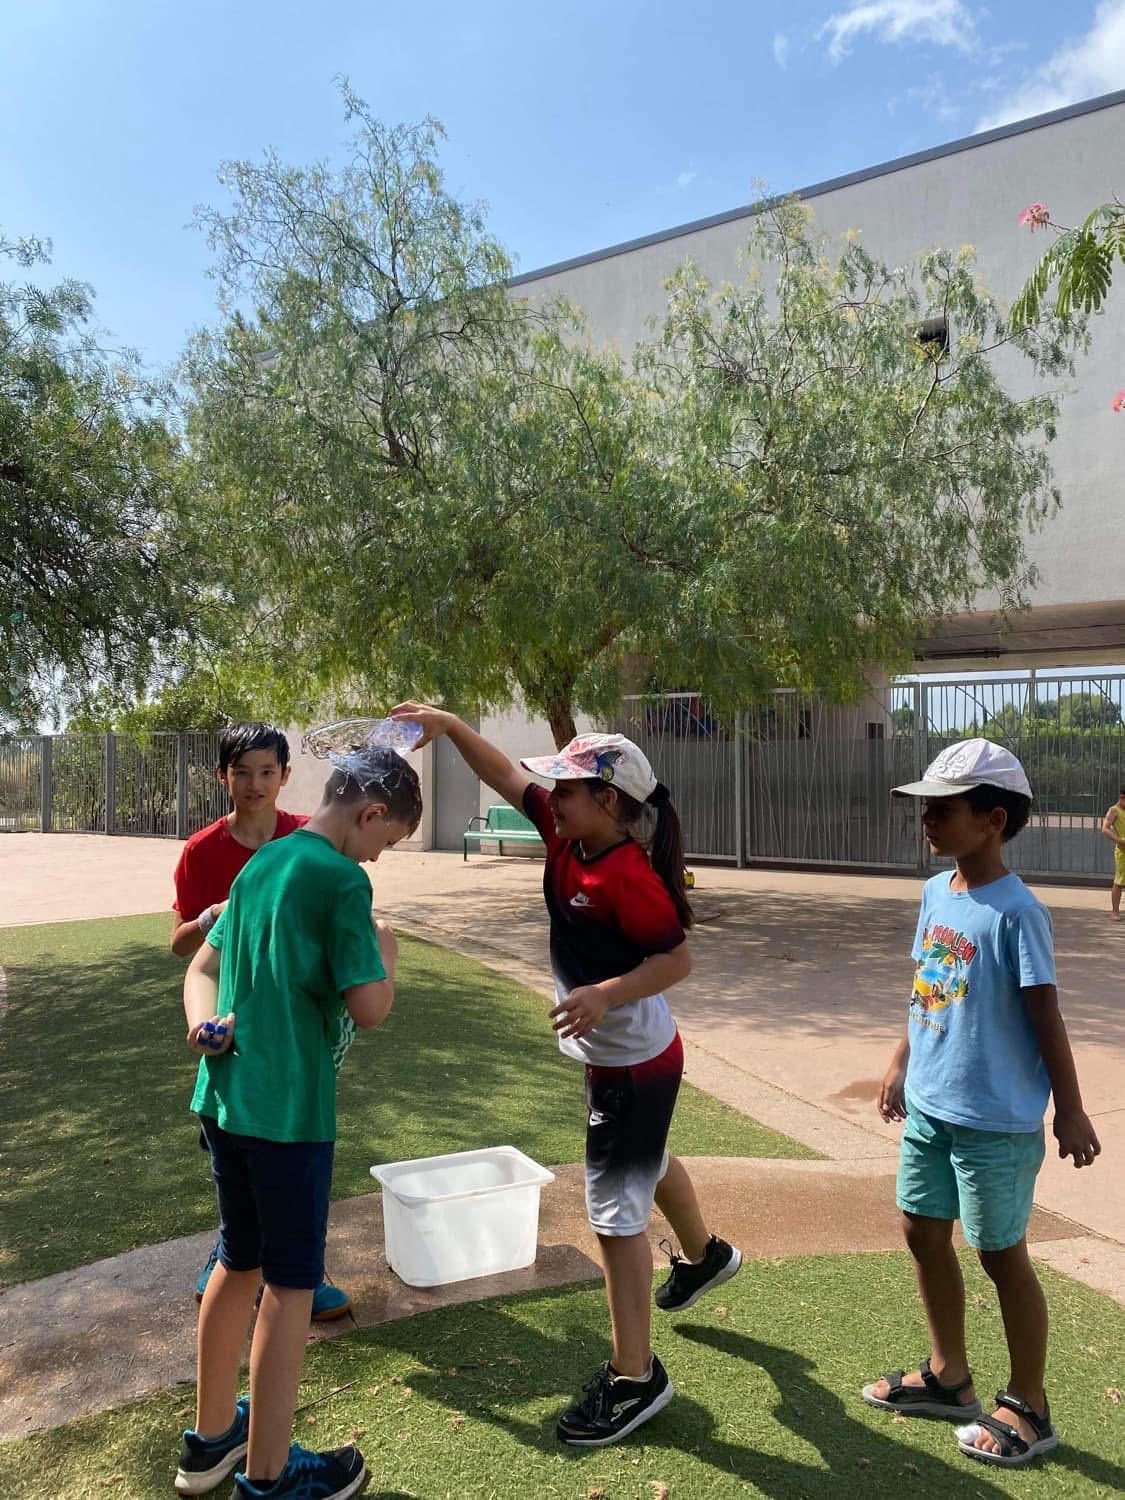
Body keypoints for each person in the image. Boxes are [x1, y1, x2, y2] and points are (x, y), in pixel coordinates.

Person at [390, 704, 742, 1448]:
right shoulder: (565, 834)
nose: (551, 796)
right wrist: (450, 726)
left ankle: (635, 1376)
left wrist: (603, 994)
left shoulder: (628, 874)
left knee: (613, 1218)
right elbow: (503, 772)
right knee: (644, 1161)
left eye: (567, 788)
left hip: (632, 1063)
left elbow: (676, 959)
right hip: (623, 1057)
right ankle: (705, 1257)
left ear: (607, 800)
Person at [173, 745, 421, 1499]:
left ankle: (212, 1438)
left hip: (226, 1099)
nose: (376, 859)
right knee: (288, 1285)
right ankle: (271, 1477)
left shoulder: (263, 863)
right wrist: (387, 954)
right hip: (288, 1114)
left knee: (237, 1260)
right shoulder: (342, 880)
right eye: (386, 843)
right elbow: (369, 1008)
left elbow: (203, 965)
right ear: (370, 814)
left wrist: (202, 1025)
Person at [861, 738, 1101, 1469]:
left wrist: (1070, 1109)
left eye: (944, 809)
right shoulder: (938, 893)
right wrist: (901, 1059)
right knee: (920, 1229)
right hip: (931, 1105)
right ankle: (949, 1376)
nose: (927, 820)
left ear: (993, 820)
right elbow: (928, 986)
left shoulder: (1018, 912)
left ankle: (1030, 1404)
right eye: (925, 808)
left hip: (994, 1122)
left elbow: (1045, 1015)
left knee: (1000, 1254)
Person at [171, 721, 350, 1324]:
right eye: (242, 772)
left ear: (285, 775)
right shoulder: (202, 851)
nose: (255, 784)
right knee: (232, 1143)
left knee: (291, 1154)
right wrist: (214, 917)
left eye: (267, 772)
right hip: (229, 1029)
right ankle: (233, 1256)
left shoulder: (307, 838)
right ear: (222, 776)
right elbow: (183, 948)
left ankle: (299, 1271)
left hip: (295, 1031)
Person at [1099, 787, 1125, 920]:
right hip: (1123, 851)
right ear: (1122, 797)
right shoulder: (1114, 810)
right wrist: (1119, 840)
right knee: (1119, 882)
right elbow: (1105, 828)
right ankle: (1115, 911)